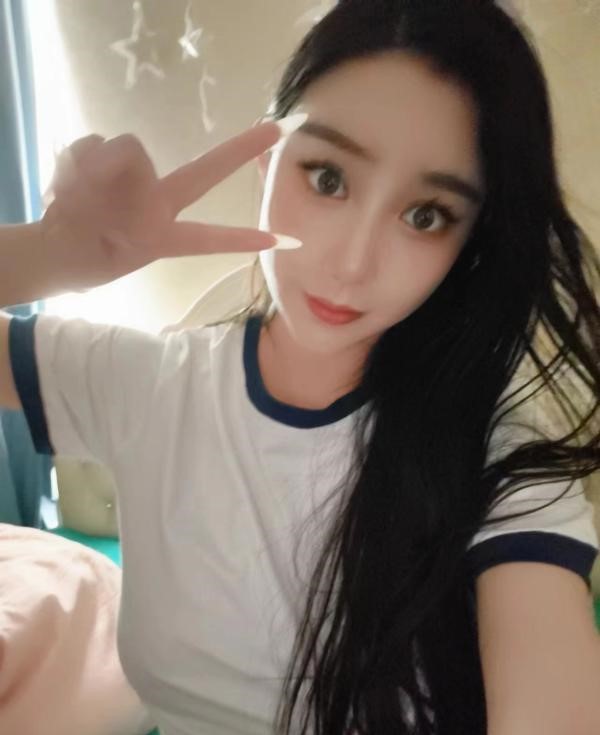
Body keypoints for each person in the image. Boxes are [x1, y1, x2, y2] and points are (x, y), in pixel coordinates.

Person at [1, 1, 600, 733]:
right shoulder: (149, 387)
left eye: (426, 215)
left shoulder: (498, 454)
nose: (352, 263)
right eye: (328, 178)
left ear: (467, 243)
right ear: (267, 163)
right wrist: (48, 256)